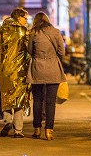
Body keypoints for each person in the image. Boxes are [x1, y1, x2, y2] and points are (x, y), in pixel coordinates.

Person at [26, 12, 66, 140]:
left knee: (37, 100)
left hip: (37, 68)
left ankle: (37, 129)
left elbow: (30, 51)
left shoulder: (33, 32)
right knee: (50, 102)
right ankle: (49, 131)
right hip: (53, 69)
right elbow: (62, 51)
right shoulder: (56, 32)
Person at [0, 7, 31, 138]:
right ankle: (18, 130)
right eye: (25, 18)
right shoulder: (22, 31)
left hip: (4, 69)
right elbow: (29, 50)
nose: (26, 21)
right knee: (19, 99)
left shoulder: (2, 29)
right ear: (19, 17)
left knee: (6, 96)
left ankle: (7, 121)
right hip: (19, 70)